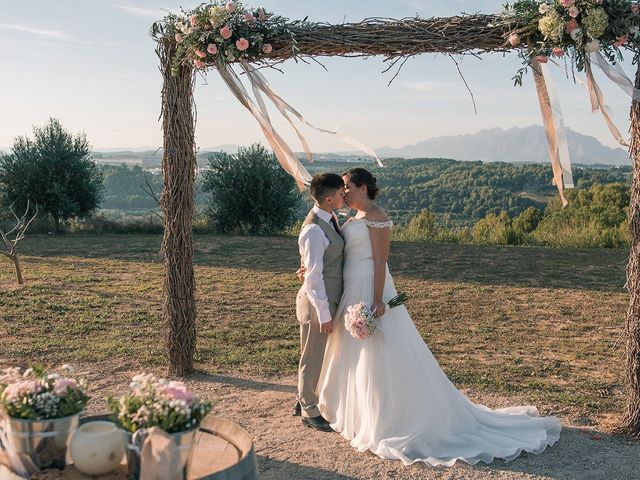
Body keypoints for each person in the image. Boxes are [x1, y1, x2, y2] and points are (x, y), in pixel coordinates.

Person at [316, 167, 561, 466]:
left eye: (347, 186)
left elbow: (381, 262)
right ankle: (356, 413)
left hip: (369, 288)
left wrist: (378, 300)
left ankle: (388, 419)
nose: (344, 192)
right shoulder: (352, 218)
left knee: (381, 354)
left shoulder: (377, 216)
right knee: (353, 352)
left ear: (363, 188)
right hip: (352, 287)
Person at [294, 172, 346, 432]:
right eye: (340, 193)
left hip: (327, 297)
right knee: (312, 356)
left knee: (316, 353)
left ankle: (301, 398)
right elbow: (314, 278)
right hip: (317, 303)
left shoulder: (329, 217)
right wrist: (324, 314)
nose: (344, 196)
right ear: (328, 199)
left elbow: (313, 263)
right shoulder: (314, 229)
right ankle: (309, 410)